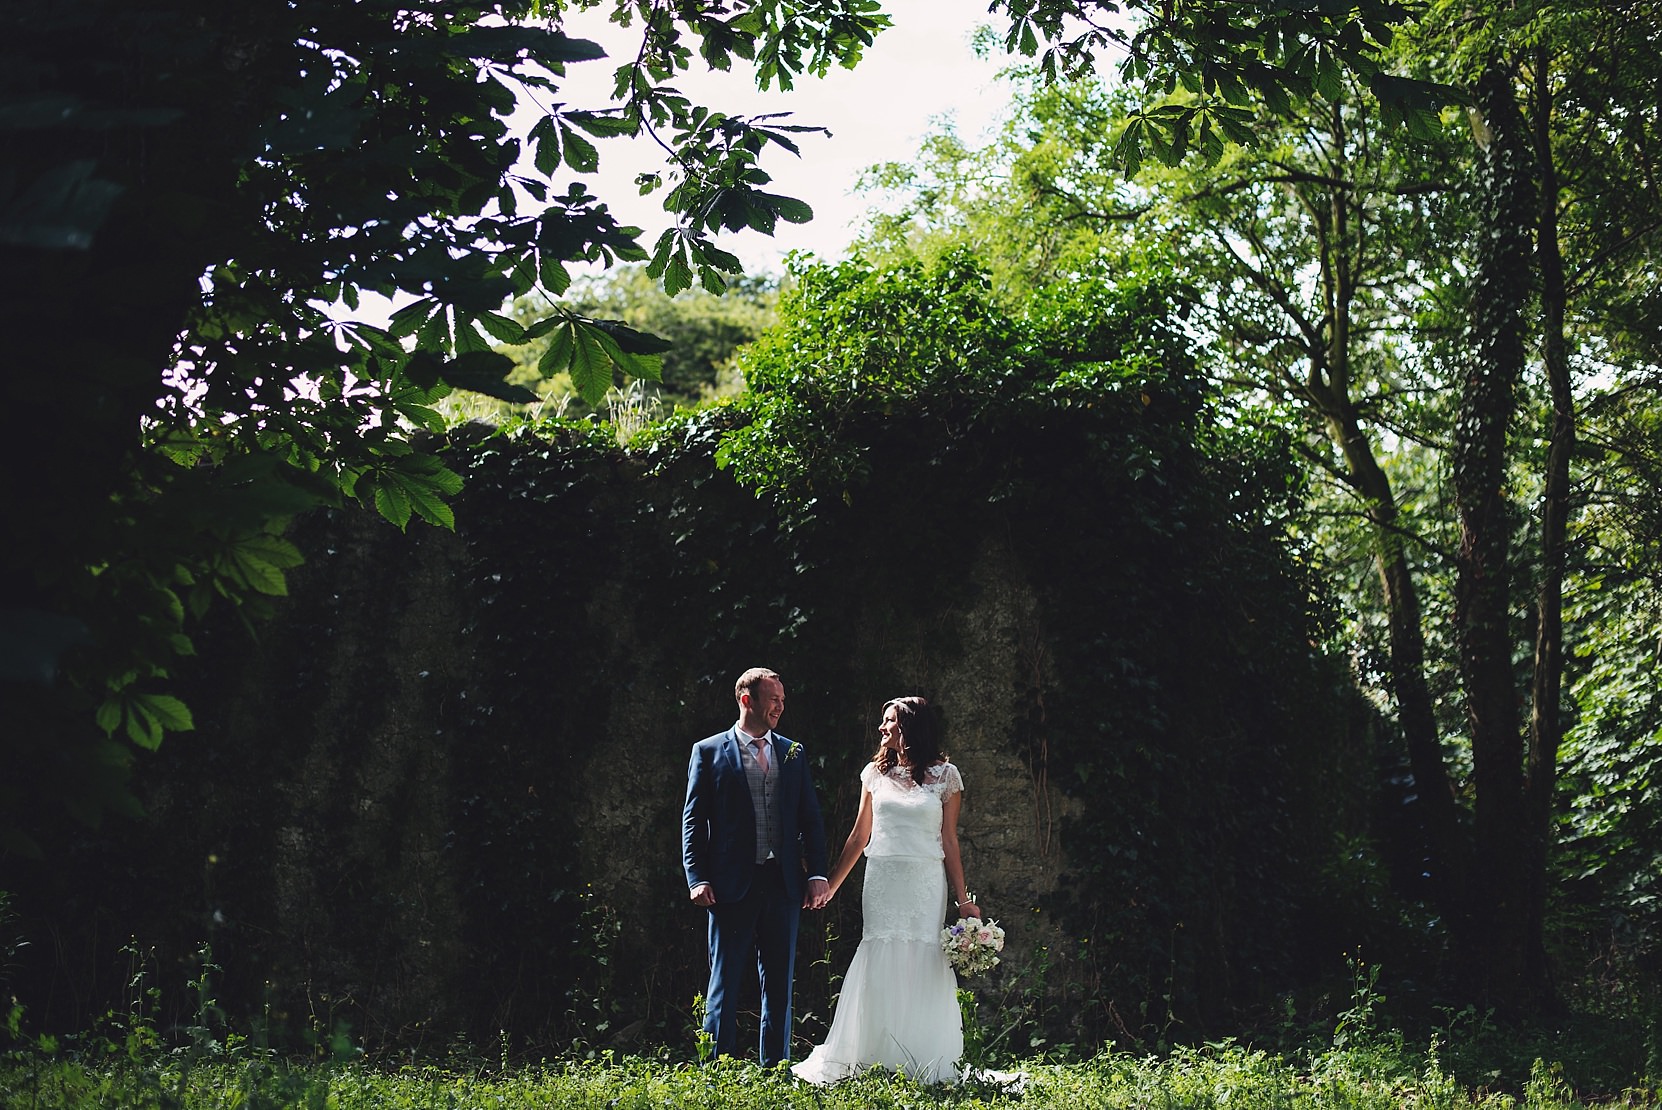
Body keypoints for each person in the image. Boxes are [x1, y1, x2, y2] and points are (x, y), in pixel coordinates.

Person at [791, 695, 979, 1085]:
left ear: (909, 727)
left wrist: (964, 901)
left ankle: (924, 1058)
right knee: (879, 949)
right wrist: (831, 885)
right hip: (883, 879)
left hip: (925, 881)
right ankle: (873, 1053)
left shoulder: (947, 776)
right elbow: (860, 836)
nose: (882, 728)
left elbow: (950, 841)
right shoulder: (874, 774)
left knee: (922, 957)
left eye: (889, 720)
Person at [683, 667, 831, 1066]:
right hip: (731, 885)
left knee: (780, 985)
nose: (781, 707)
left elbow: (810, 819)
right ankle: (717, 1070)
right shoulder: (709, 751)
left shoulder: (793, 752)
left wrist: (817, 874)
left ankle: (775, 1069)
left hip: (783, 884)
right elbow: (694, 821)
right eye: (774, 699)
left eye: (783, 700)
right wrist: (697, 877)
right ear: (747, 700)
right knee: (724, 983)